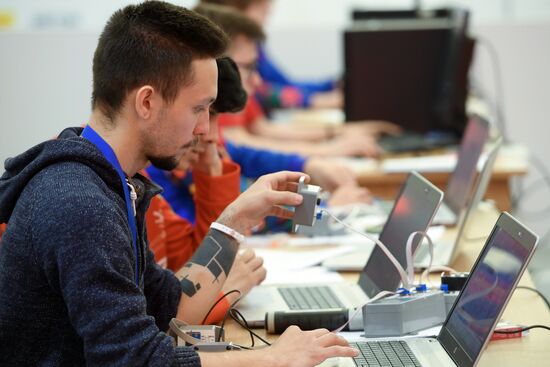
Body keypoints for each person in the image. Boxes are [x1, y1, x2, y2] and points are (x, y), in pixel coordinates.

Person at [0, 2, 358, 366]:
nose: (206, 130)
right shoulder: (80, 202)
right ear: (147, 102)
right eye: (198, 109)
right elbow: (135, 360)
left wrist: (233, 221)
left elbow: (171, 308)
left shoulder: (114, 182)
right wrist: (272, 358)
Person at [148, 56, 372, 225]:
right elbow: (222, 230)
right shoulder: (154, 177)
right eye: (248, 67)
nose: (212, 135)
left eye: (213, 114)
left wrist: (308, 164)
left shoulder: (202, 146)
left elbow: (250, 157)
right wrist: (324, 209)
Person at [194, 3, 399, 158]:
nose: (257, 82)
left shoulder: (245, 55)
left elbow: (263, 128)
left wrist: (336, 133)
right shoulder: (222, 86)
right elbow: (242, 144)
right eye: (264, 10)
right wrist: (330, 148)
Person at [200, 0, 342, 110]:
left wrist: (330, 84)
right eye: (264, 11)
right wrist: (314, 100)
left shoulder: (254, 47)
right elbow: (261, 92)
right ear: (236, 9)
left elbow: (282, 82)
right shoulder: (228, 48)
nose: (265, 20)